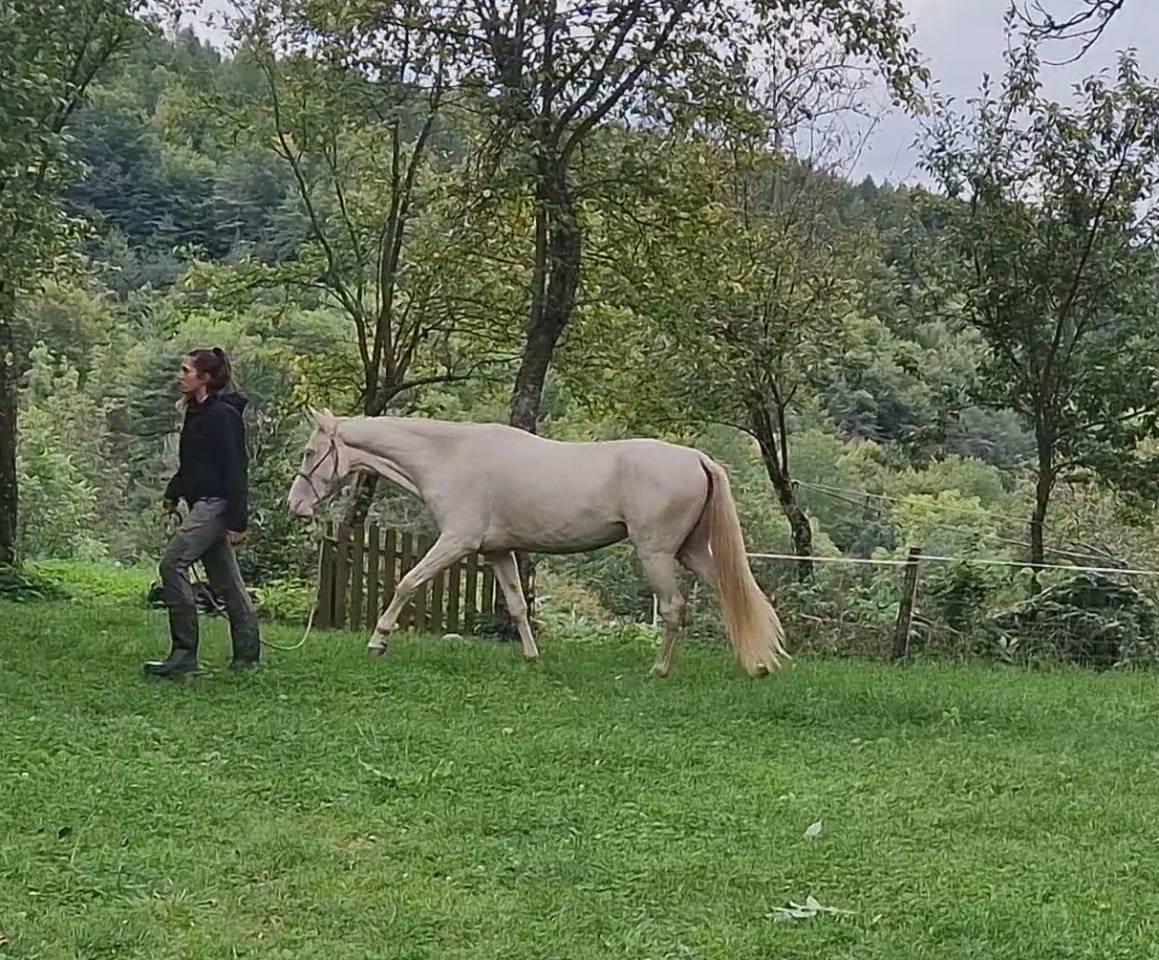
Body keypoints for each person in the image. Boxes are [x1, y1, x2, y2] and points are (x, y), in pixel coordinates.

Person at [146, 347, 261, 677]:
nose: (180, 376)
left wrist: (238, 521)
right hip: (201, 502)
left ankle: (184, 655)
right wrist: (173, 494)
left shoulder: (223, 415)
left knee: (172, 565)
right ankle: (247, 657)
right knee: (227, 580)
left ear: (205, 378)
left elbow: (236, 469)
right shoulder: (196, 412)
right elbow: (192, 465)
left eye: (186, 371)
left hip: (217, 504)